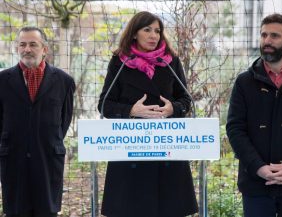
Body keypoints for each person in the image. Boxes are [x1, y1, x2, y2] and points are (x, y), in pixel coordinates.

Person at [98, 11, 198, 217]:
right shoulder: (120, 62)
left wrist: (173, 108)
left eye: (157, 31)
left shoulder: (171, 61)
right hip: (130, 151)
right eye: (147, 30)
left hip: (168, 148)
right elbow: (104, 105)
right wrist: (130, 111)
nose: (154, 35)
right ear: (134, 33)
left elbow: (186, 100)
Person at [226, 13, 282, 217]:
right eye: (264, 35)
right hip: (256, 184)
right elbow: (235, 129)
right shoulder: (244, 82)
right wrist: (258, 167)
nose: (267, 41)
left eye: (274, 36)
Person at [0, 26, 75, 217]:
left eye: (33, 44)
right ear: (17, 48)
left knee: (46, 211)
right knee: (16, 211)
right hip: (13, 159)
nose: (27, 49)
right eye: (22, 44)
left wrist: (46, 140)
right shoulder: (2, 80)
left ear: (44, 49)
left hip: (48, 158)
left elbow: (64, 120)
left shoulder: (64, 81)